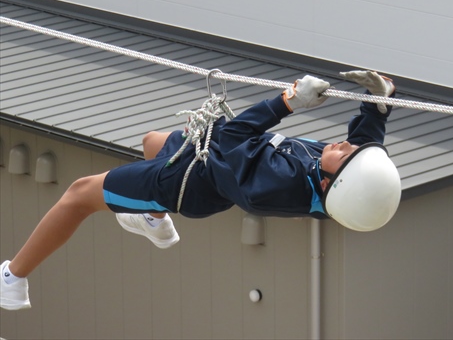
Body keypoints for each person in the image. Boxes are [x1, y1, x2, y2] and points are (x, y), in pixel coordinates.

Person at [0, 70, 401, 310]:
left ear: (335, 182)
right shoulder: (335, 184)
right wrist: (379, 99)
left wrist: (287, 103)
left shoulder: (276, 187)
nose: (344, 144)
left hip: (187, 182)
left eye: (346, 153)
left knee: (78, 195)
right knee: (152, 141)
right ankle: (150, 219)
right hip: (207, 160)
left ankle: (13, 280)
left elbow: (233, 137)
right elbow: (367, 143)